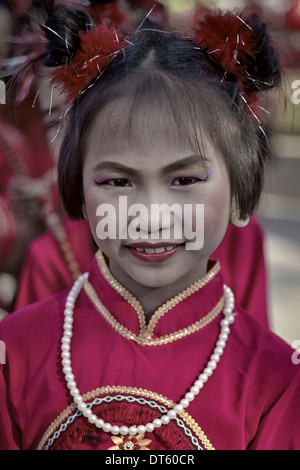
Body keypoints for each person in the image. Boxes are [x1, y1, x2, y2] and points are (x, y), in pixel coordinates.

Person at [1, 5, 299, 451]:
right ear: (78, 193)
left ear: (241, 196)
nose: (151, 213)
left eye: (185, 180)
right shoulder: (15, 352)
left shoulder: (276, 377)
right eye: (118, 181)